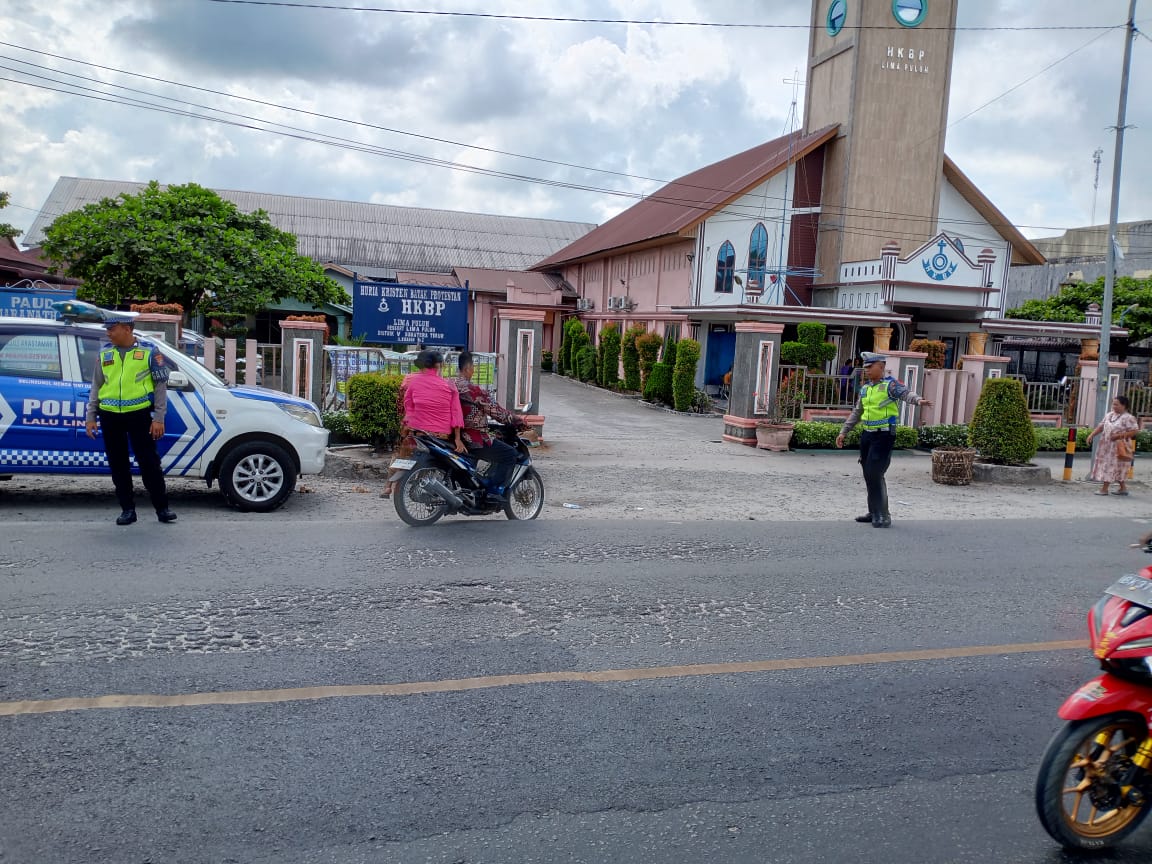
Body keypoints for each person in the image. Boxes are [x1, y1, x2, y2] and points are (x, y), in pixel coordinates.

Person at [84, 313, 177, 526]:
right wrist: (91, 416)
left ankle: (162, 508)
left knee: (149, 463)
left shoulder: (150, 353)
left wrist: (159, 418)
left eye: (112, 328)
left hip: (139, 415)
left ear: (127, 329)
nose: (108, 332)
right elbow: (96, 385)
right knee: (118, 464)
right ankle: (127, 510)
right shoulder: (105, 353)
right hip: (109, 415)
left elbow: (160, 387)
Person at [835, 352, 934, 528]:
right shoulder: (866, 388)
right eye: (865, 368)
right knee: (868, 473)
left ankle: (883, 514)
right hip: (867, 434)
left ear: (881, 366)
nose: (866, 371)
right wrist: (844, 432)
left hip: (884, 435)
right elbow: (857, 412)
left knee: (875, 472)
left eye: (869, 367)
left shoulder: (890, 385)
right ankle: (873, 511)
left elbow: (906, 394)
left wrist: (919, 401)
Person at [454, 351, 522, 501]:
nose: (473, 371)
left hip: (453, 435)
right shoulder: (473, 390)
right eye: (473, 367)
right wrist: (517, 420)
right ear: (468, 368)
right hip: (473, 438)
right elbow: (497, 412)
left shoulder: (450, 384)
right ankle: (493, 492)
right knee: (509, 454)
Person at [1087, 395, 1139, 496]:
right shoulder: (1109, 415)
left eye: (1116, 404)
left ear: (1124, 406)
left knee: (1111, 466)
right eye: (1113, 404)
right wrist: (1091, 435)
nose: (1114, 406)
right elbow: (1101, 426)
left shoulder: (1128, 418)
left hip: (1119, 446)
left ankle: (1104, 489)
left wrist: (1119, 436)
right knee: (1114, 467)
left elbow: (1134, 431)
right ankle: (1123, 488)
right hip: (1106, 446)